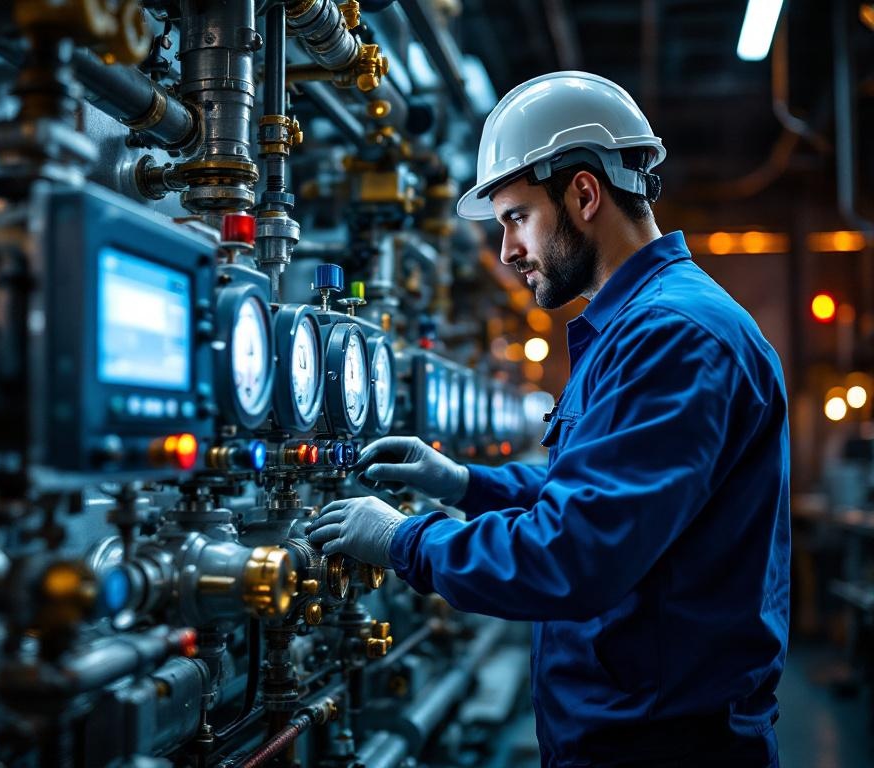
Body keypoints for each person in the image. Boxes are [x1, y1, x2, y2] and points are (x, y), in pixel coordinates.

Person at [306, 71, 790, 768]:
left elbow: (574, 553)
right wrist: (468, 484)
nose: (507, 252)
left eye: (515, 217)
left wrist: (405, 540)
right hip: (630, 729)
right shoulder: (639, 325)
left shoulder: (673, 335)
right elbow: (594, 485)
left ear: (584, 193)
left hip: (660, 745)